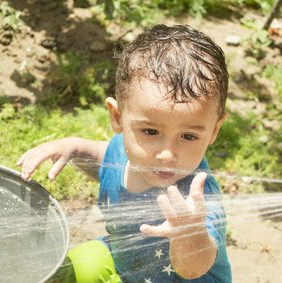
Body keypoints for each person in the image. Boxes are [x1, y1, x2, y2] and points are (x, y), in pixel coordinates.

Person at [17, 24, 232, 282]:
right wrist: (73, 147)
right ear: (117, 117)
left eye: (188, 136)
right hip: (127, 263)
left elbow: (192, 269)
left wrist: (189, 233)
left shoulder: (198, 202)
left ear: (214, 130)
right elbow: (104, 158)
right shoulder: (124, 150)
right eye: (151, 132)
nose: (167, 154)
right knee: (75, 269)